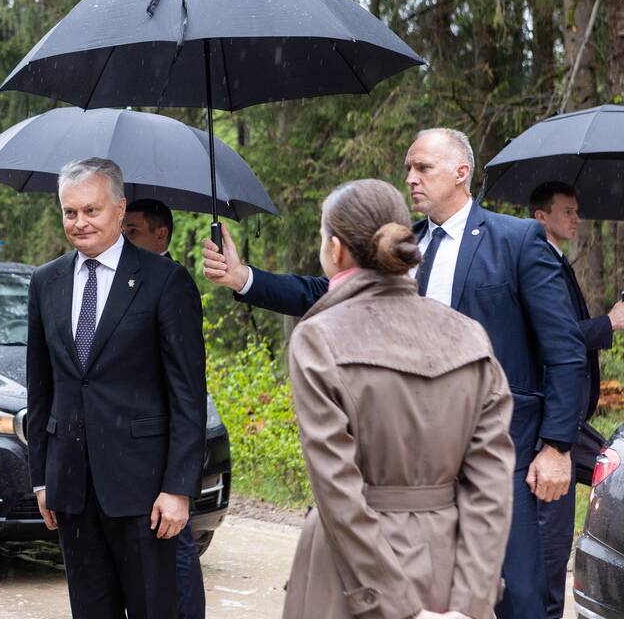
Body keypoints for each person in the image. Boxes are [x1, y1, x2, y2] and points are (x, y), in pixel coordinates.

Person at [202, 128, 587, 619]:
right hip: (409, 457)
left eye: (423, 167)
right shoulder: (405, 250)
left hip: (503, 453)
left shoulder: (518, 240)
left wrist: (556, 447)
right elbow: (325, 290)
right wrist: (244, 278)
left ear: (461, 172)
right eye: (408, 169)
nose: (411, 178)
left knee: (519, 599)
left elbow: (566, 349)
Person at [282, 178, 515, 618]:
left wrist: (402, 608)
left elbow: (337, 490)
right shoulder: (469, 335)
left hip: (351, 580)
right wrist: (469, 604)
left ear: (336, 250)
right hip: (450, 569)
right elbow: (491, 487)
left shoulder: (319, 338)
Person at [28, 158, 207, 619]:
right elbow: (41, 387)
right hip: (72, 489)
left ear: (119, 207)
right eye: (70, 213)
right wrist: (42, 476)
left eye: (91, 210)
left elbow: (187, 395)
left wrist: (179, 488)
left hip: (145, 494)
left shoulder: (165, 281)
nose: (80, 223)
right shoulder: (46, 282)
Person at [528, 181, 624, 618]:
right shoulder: (535, 265)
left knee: (613, 469)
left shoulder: (558, 262)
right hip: (548, 420)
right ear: (540, 217)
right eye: (567, 210)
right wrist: (609, 322)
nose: (576, 218)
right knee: (553, 530)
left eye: (576, 209)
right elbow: (556, 341)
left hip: (569, 416)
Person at [123, 197, 205, 619]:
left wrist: (180, 478)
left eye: (133, 231)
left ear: (162, 235)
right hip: (126, 454)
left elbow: (188, 389)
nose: (124, 239)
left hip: (165, 450)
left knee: (176, 553)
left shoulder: (174, 283)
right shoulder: (123, 282)